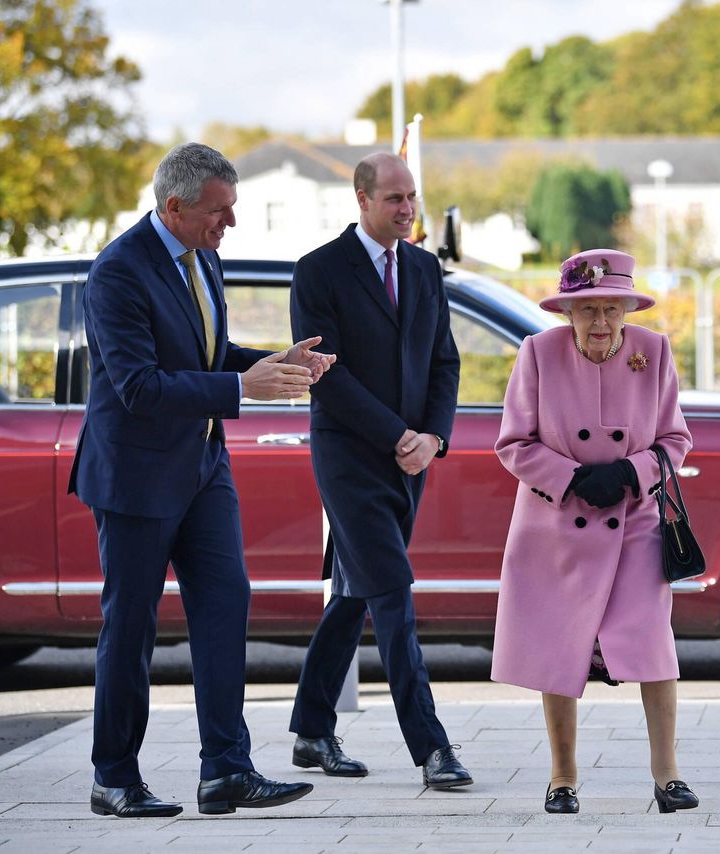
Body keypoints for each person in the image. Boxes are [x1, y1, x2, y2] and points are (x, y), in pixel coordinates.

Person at [70, 142, 334, 818]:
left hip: (203, 467)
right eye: (220, 212)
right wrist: (241, 388)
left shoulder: (201, 254)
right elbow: (137, 387)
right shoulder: (117, 273)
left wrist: (277, 364)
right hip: (134, 476)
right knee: (130, 630)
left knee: (225, 609)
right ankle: (114, 779)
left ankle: (226, 771)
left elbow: (208, 356)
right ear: (175, 207)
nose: (231, 225)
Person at [491, 248, 700, 815]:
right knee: (559, 647)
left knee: (651, 644)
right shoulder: (538, 352)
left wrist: (632, 471)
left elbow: (675, 439)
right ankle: (562, 778)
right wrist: (574, 477)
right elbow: (513, 443)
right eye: (588, 310)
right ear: (568, 313)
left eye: (612, 308)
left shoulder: (653, 351)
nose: (601, 322)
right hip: (556, 524)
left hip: (634, 522)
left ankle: (668, 776)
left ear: (629, 308)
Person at [286, 152, 470, 790]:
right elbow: (324, 375)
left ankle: (311, 729)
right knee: (391, 592)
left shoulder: (423, 268)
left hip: (411, 459)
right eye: (394, 198)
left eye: (412, 196)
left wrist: (433, 438)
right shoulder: (318, 272)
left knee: (356, 592)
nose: (407, 208)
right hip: (348, 459)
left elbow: (444, 362)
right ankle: (432, 747)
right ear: (361, 199)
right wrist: (399, 435)